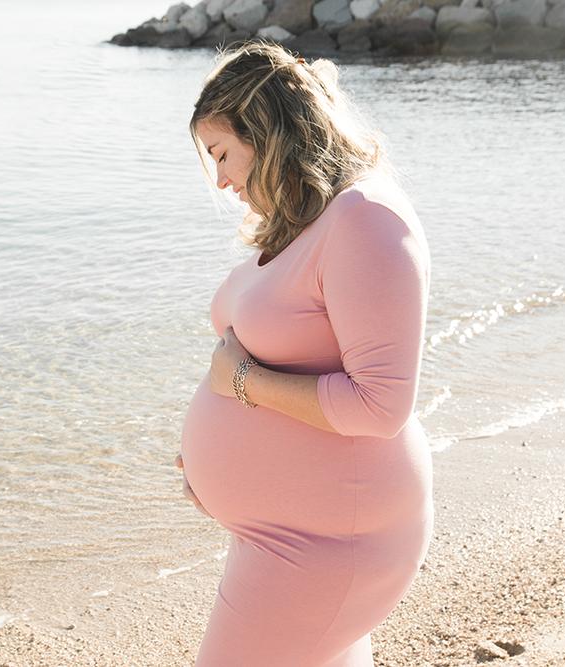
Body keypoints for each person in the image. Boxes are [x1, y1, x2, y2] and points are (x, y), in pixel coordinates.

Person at [175, 41, 434, 667]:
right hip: (290, 535)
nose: (221, 180)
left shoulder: (366, 219)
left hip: (327, 543)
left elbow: (380, 406)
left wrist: (242, 384)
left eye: (221, 154)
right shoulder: (307, 224)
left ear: (265, 131)